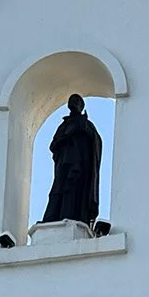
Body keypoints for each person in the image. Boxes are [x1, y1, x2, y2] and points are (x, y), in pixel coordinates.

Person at [41, 92, 102, 227]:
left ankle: (70, 216)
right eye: (72, 101)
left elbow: (96, 142)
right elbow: (53, 145)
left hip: (79, 165)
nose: (74, 104)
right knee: (58, 189)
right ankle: (51, 218)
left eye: (77, 102)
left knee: (73, 189)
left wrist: (83, 128)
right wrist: (65, 138)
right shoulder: (64, 125)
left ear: (81, 106)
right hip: (63, 163)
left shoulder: (86, 124)